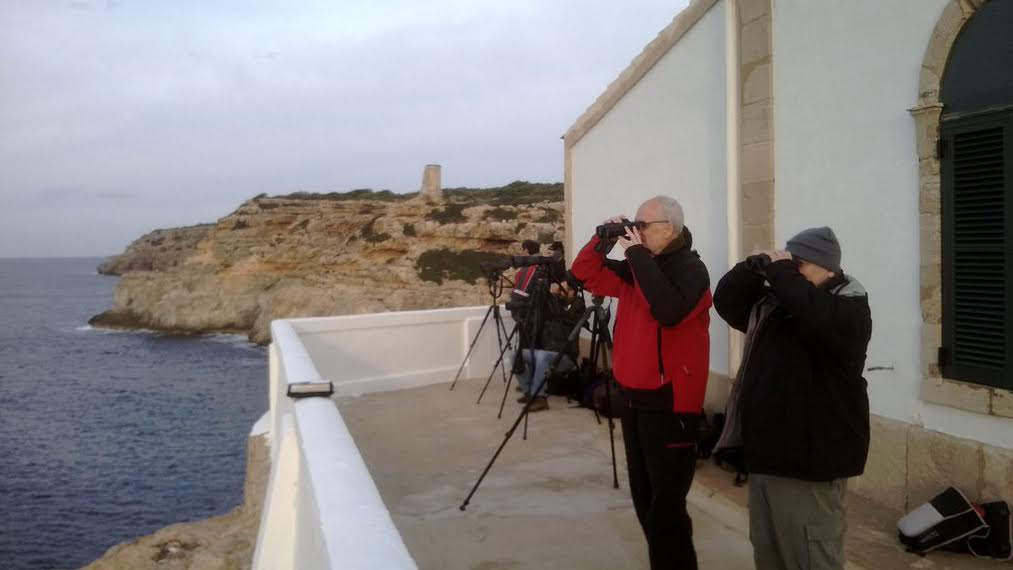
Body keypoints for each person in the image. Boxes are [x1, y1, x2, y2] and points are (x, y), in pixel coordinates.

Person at [712, 226, 872, 570]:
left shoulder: (848, 308)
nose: (788, 271)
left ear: (827, 268)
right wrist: (752, 267)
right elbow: (726, 301)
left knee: (811, 557)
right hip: (767, 457)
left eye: (798, 263)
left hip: (809, 465)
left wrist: (782, 271)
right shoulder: (777, 306)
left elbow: (816, 317)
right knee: (768, 555)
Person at [571, 195, 712, 570]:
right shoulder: (638, 268)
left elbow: (668, 310)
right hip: (633, 399)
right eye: (632, 223)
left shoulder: (691, 271)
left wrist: (636, 257)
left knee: (666, 507)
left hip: (670, 403)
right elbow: (583, 273)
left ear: (669, 229)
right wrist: (602, 239)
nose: (635, 230)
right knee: (644, 499)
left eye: (642, 224)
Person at [514, 277, 585, 412]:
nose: (562, 292)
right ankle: (530, 392)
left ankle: (540, 398)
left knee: (541, 356)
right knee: (516, 355)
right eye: (562, 289)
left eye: (566, 290)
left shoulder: (578, 306)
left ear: (573, 292)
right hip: (549, 353)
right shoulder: (554, 304)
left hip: (566, 357)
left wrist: (553, 297)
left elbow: (566, 319)